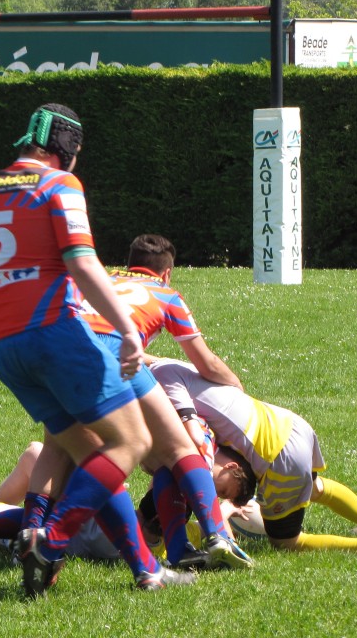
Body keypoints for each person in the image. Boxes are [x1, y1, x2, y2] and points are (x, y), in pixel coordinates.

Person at [0, 103, 193, 594]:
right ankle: (50, 539)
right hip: (56, 335)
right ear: (68, 149)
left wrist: (14, 285)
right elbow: (83, 265)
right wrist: (126, 326)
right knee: (132, 442)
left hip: (2, 347)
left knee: (92, 458)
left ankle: (147, 570)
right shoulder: (61, 186)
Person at [28, 232, 254, 570]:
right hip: (113, 356)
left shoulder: (101, 278)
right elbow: (205, 362)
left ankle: (31, 531)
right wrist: (236, 389)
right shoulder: (166, 293)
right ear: (166, 273)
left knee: (57, 450)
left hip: (58, 354)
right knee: (178, 448)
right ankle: (214, 536)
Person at [150, 357, 357, 554]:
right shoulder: (174, 366)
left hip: (277, 453)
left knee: (285, 542)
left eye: (219, 488)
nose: (213, 490)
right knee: (315, 488)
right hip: (289, 424)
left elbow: (192, 443)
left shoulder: (165, 382)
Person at [0, 437, 256, 566]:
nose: (214, 495)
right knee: (35, 454)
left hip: (92, 531)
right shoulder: (189, 478)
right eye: (222, 491)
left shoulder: (189, 502)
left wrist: (226, 511)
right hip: (97, 529)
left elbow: (221, 534)